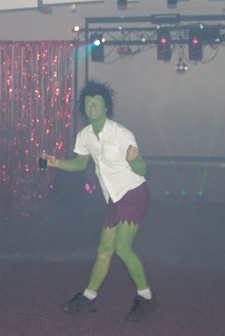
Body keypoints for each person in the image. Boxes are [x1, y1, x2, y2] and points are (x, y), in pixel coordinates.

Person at [41, 80, 155, 321]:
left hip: (133, 193)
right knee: (104, 250)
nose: (92, 106)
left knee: (122, 248)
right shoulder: (84, 136)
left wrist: (133, 159)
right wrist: (55, 162)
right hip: (113, 199)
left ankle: (146, 298)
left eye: (97, 102)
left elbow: (142, 169)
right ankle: (88, 297)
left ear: (106, 107)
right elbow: (79, 164)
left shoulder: (121, 134)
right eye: (88, 103)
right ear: (84, 108)